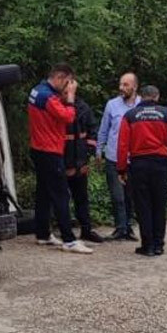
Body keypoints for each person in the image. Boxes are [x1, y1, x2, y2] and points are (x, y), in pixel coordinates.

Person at [117, 85, 167, 257]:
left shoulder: (130, 116)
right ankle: (159, 245)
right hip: (160, 163)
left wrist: (121, 169)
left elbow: (122, 145)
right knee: (159, 204)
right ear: (157, 97)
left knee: (143, 206)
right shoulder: (166, 113)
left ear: (140, 97)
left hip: (139, 164)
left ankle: (148, 246)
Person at [28, 64, 92, 254]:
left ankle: (42, 233)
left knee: (44, 193)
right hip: (50, 150)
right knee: (60, 194)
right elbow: (68, 117)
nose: (67, 88)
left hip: (38, 148)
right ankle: (69, 240)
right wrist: (71, 98)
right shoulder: (49, 98)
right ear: (59, 78)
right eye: (67, 83)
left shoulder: (37, 90)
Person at [96, 72, 140, 241]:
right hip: (113, 157)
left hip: (133, 158)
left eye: (126, 85)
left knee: (130, 195)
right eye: (121, 84)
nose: (121, 88)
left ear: (134, 87)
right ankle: (120, 227)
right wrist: (99, 150)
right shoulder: (112, 105)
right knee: (117, 195)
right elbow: (104, 129)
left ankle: (128, 227)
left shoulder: (142, 105)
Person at [64, 94, 104, 244]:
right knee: (62, 199)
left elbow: (92, 131)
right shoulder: (56, 106)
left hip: (80, 159)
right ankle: (65, 231)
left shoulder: (83, 107)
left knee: (82, 198)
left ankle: (86, 230)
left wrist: (87, 156)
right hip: (63, 160)